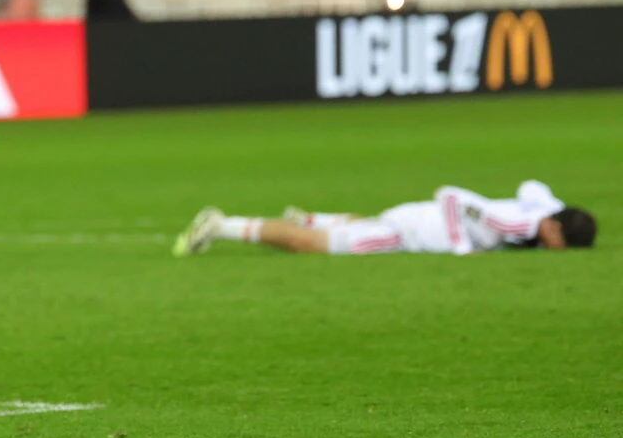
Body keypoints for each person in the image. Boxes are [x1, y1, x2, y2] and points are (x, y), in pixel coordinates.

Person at [172, 180, 597, 257]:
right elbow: (451, 194)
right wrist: (461, 247)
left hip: (412, 219)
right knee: (314, 247)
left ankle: (314, 216)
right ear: (554, 228)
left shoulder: (539, 208)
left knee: (356, 225)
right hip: (409, 234)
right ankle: (222, 225)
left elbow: (531, 185)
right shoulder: (520, 225)